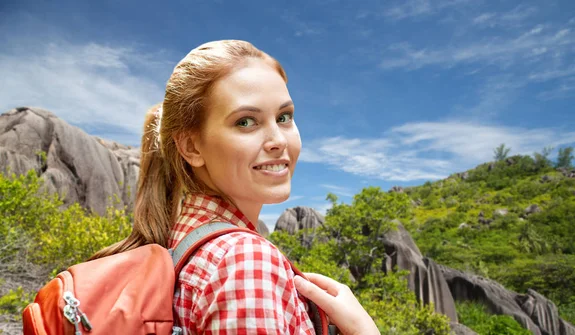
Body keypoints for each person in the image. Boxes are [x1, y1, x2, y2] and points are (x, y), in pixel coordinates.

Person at [91, 40, 378, 334]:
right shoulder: (245, 262)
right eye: (246, 122)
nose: (278, 140)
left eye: (284, 117)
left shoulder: (179, 239)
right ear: (191, 146)